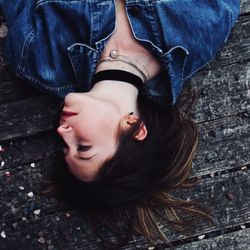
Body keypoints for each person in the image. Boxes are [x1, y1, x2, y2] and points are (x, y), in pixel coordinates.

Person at [0, 0, 240, 245]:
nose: (62, 131)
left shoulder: (39, 59)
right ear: (135, 127)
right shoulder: (200, 32)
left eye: (65, 147)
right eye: (83, 147)